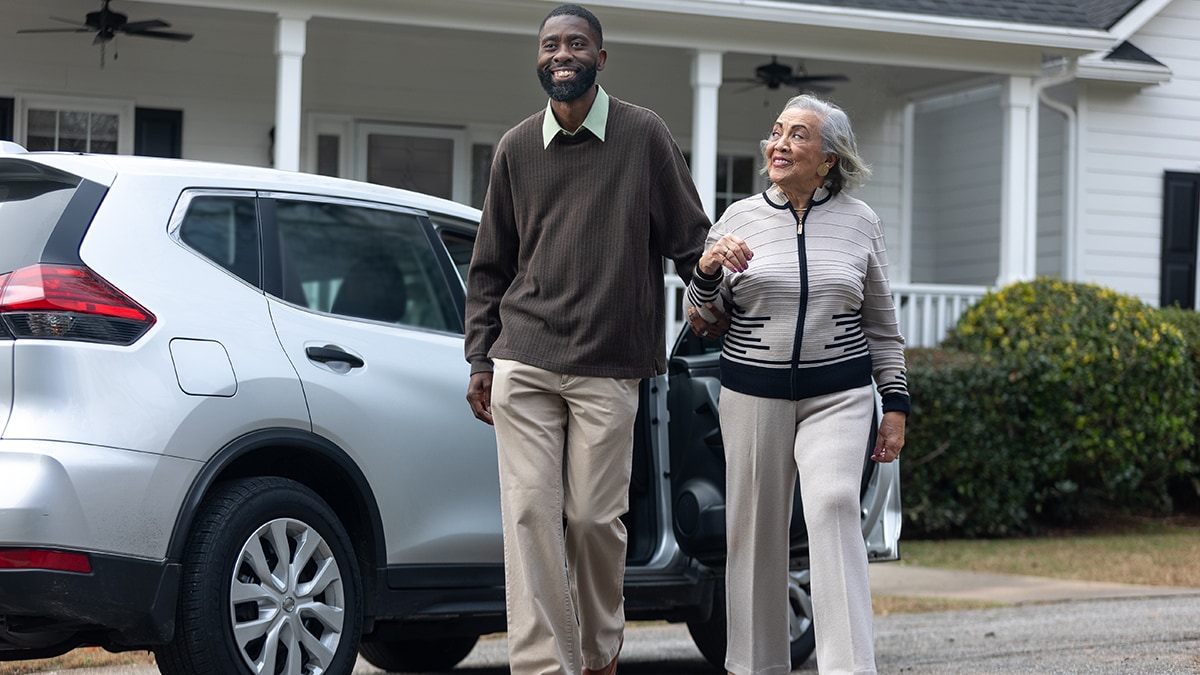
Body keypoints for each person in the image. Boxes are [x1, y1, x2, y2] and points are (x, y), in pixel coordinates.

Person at [463, 5, 711, 674]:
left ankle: (599, 651)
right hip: (525, 357)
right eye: (550, 44)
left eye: (576, 43)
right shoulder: (516, 148)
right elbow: (490, 266)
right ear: (538, 59)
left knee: (597, 520)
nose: (561, 53)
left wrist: (712, 287)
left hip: (609, 363)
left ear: (601, 58)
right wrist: (480, 356)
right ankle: (546, 664)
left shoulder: (642, 135)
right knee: (531, 518)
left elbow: (691, 239)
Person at [685, 94, 909, 675]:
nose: (779, 144)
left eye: (797, 136)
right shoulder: (737, 219)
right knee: (754, 532)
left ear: (828, 158)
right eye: (776, 132)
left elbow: (883, 325)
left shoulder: (861, 223)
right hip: (752, 392)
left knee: (835, 505)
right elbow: (701, 319)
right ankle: (755, 667)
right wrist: (707, 272)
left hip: (839, 393)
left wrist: (896, 404)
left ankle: (850, 667)